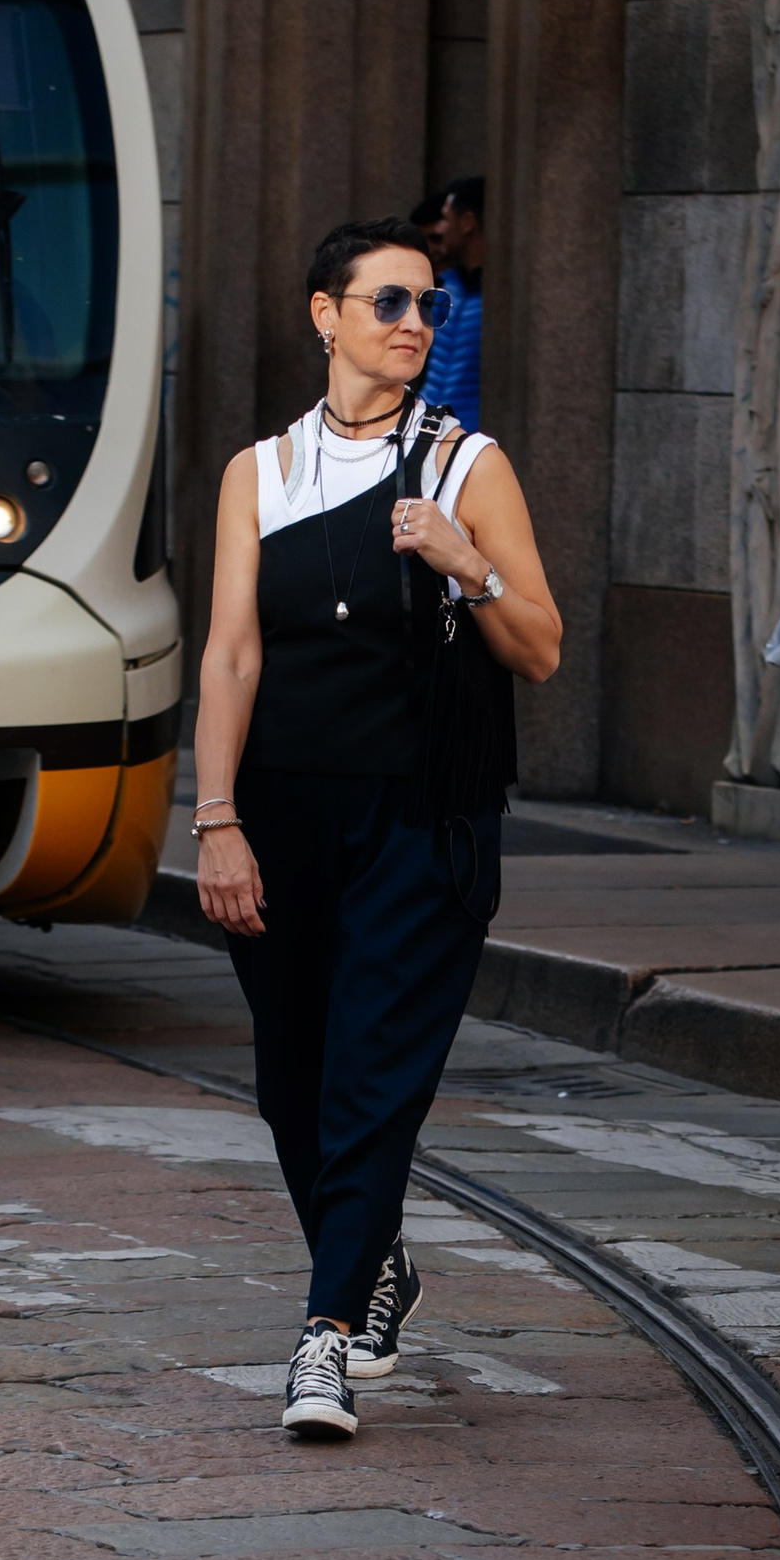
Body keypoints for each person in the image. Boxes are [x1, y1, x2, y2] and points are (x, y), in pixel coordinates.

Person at [192, 216, 562, 1439]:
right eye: (390, 303)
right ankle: (379, 1268)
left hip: (420, 818)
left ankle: (324, 1335)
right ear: (325, 313)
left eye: (427, 309)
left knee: (368, 1083)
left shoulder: (469, 464)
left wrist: (468, 564)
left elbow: (542, 649)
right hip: (284, 818)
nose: (414, 326)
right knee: (290, 1082)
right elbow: (233, 653)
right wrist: (216, 819)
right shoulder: (263, 469)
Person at [414, 176, 484, 424]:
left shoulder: (495, 299)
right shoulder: (446, 288)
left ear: (467, 223)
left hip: (475, 440)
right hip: (428, 431)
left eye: (446, 218)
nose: (441, 228)